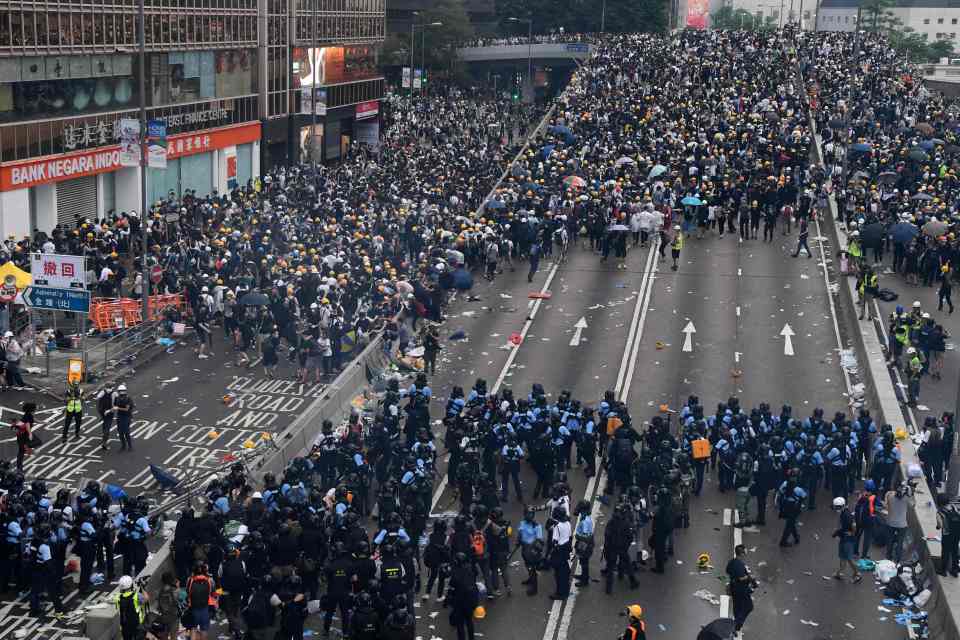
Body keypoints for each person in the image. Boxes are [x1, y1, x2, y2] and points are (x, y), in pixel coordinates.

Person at [445, 552, 479, 640]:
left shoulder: (455, 573)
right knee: (469, 622)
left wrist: (447, 601)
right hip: (470, 600)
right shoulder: (470, 570)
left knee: (460, 625)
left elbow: (451, 588)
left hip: (459, 602)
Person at [831, 497, 862, 583]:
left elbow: (854, 526)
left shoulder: (847, 515)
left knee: (849, 558)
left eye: (838, 507)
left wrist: (852, 533)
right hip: (843, 538)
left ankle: (857, 574)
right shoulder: (843, 513)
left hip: (848, 539)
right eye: (836, 507)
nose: (837, 509)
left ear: (843, 506)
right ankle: (839, 573)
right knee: (842, 556)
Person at [726, 544, 755, 635]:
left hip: (733, 588)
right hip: (741, 590)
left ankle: (737, 624)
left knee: (737, 607)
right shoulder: (740, 565)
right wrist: (749, 578)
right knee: (749, 606)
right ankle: (737, 624)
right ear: (742, 553)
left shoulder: (732, 562)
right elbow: (741, 578)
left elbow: (727, 571)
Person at [885, 482, 913, 563]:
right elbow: (913, 505)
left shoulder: (890, 496)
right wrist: (910, 494)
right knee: (900, 542)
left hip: (890, 522)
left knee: (889, 540)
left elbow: (887, 505)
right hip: (902, 524)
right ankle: (897, 559)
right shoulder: (906, 499)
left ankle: (888, 556)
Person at [186, 562, 215, 640]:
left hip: (193, 608)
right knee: (204, 629)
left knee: (193, 628)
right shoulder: (209, 579)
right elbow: (213, 593)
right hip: (205, 608)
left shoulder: (190, 580)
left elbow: (188, 592)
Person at [549, 506, 572, 600]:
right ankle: (565, 590)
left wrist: (551, 552)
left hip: (559, 552)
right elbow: (570, 536)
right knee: (565, 570)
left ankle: (560, 593)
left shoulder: (557, 526)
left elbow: (554, 541)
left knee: (558, 574)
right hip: (566, 549)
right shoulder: (568, 523)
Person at [115, 575, 146, 640]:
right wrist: (142, 587)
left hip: (124, 627)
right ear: (131, 585)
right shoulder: (137, 595)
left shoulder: (117, 597)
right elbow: (146, 599)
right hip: (137, 625)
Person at [853, 480, 878, 559]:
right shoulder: (873, 498)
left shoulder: (862, 496)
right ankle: (864, 555)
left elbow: (857, 507)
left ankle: (855, 552)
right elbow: (879, 506)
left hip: (859, 521)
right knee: (867, 539)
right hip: (868, 522)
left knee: (857, 536)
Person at [573, 499, 595, 587]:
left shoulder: (585, 521)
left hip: (584, 544)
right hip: (585, 543)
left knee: (584, 562)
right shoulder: (584, 517)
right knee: (583, 562)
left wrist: (578, 537)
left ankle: (585, 580)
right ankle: (583, 576)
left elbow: (585, 536)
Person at [157, 572, 182, 640]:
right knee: (174, 636)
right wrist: (178, 587)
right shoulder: (174, 590)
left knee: (164, 635)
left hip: (164, 616)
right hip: (173, 617)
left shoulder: (161, 591)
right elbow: (179, 600)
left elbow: (159, 606)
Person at [12, 401, 34, 472]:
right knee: (21, 451)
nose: (35, 410)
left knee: (22, 450)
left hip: (23, 434)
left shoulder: (29, 414)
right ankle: (19, 468)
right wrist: (30, 434)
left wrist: (42, 422)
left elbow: (33, 420)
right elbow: (27, 425)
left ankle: (20, 465)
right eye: (34, 409)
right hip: (22, 436)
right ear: (31, 409)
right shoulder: (27, 416)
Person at [114, 383, 135, 451]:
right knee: (120, 432)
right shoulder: (117, 398)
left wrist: (118, 408)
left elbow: (126, 409)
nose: (121, 392)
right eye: (120, 391)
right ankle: (123, 445)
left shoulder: (128, 398)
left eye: (122, 391)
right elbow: (114, 406)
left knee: (126, 432)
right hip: (120, 416)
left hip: (126, 417)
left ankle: (130, 446)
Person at [97, 384, 115, 450]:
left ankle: (103, 436)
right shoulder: (113, 393)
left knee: (105, 424)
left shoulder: (103, 392)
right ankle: (104, 442)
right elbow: (115, 403)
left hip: (102, 411)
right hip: (109, 412)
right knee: (107, 427)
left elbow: (97, 398)